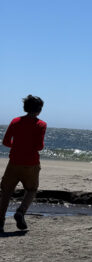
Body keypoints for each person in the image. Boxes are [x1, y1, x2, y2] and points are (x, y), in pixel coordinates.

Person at [1, 95, 46, 232]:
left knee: (6, 192)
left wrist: (17, 145)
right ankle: (21, 211)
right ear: (39, 110)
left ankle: (0, 221)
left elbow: (6, 142)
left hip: (14, 162)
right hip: (31, 163)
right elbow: (39, 146)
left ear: (25, 107)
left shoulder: (15, 121)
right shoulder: (41, 124)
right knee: (31, 190)